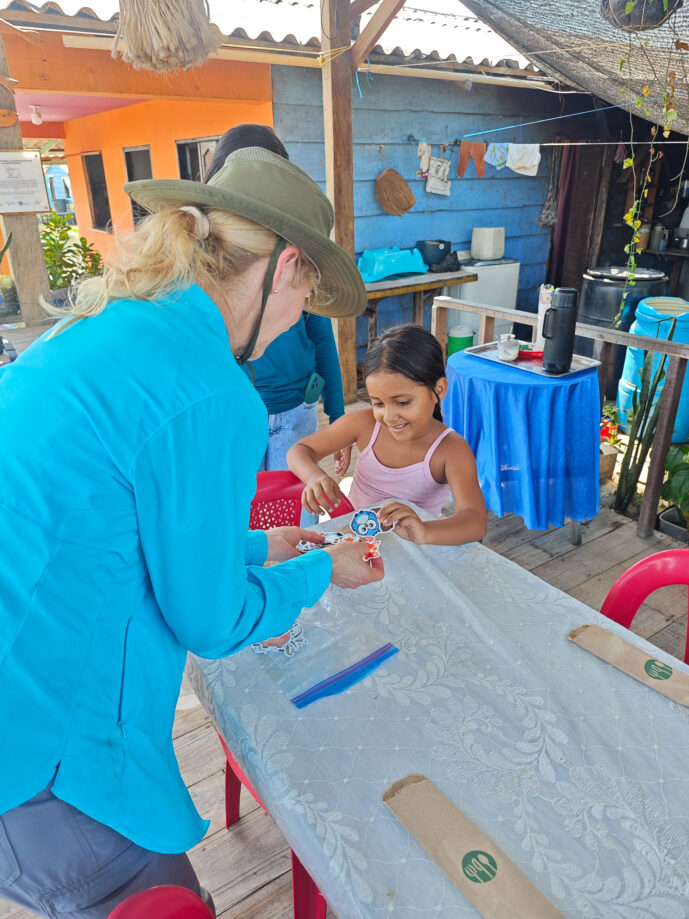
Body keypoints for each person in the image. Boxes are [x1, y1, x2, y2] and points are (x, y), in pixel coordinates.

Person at [0, 147, 382, 917]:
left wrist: (262, 546)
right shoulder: (211, 389)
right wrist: (321, 570)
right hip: (50, 757)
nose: (295, 322)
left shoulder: (104, 327)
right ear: (284, 268)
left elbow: (117, 534)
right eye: (306, 297)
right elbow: (211, 621)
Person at [205, 124, 350, 483]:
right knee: (247, 499)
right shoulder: (211, 285)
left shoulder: (297, 269)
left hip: (296, 407)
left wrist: (338, 415)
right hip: (240, 411)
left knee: (293, 498)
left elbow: (323, 339)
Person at [287, 324, 487, 546]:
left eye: (402, 402)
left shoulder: (451, 450)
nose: (389, 417)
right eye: (378, 403)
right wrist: (314, 476)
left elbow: (474, 519)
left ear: (438, 390)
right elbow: (300, 450)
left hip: (412, 553)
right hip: (352, 545)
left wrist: (425, 531)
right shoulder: (364, 424)